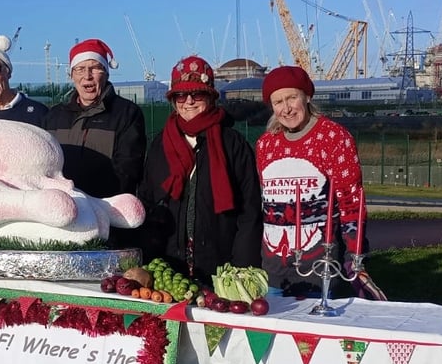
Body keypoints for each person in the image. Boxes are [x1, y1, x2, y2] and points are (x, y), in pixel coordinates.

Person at [256, 65, 385, 300]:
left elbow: (351, 202)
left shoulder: (334, 138)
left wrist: (353, 256)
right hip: (274, 266)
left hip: (317, 264)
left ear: (306, 97)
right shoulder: (266, 145)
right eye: (278, 102)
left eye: (292, 98)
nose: (286, 109)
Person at [137, 56, 263, 283]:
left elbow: (249, 210)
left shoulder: (232, 143)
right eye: (181, 95)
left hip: (220, 267)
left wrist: (242, 269)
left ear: (211, 97)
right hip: (168, 268)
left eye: (197, 94)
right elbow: (148, 200)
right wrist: (149, 259)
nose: (189, 101)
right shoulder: (160, 144)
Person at [42, 38, 146, 200]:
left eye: (95, 68)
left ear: (106, 72)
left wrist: (91, 204)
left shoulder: (127, 114)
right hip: (62, 212)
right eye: (80, 69)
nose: (87, 76)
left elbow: (127, 171)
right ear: (71, 75)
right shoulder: (54, 116)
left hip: (105, 214)